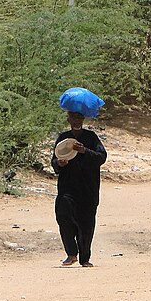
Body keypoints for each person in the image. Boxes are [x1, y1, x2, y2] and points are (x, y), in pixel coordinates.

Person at [51, 111, 107, 267]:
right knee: (63, 216)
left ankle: (85, 258)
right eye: (73, 117)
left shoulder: (91, 137)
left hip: (88, 188)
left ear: (83, 119)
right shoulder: (63, 138)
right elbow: (54, 161)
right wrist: (59, 163)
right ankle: (71, 253)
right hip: (67, 187)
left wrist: (84, 151)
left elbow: (101, 157)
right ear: (68, 119)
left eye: (79, 118)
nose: (76, 120)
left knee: (86, 224)